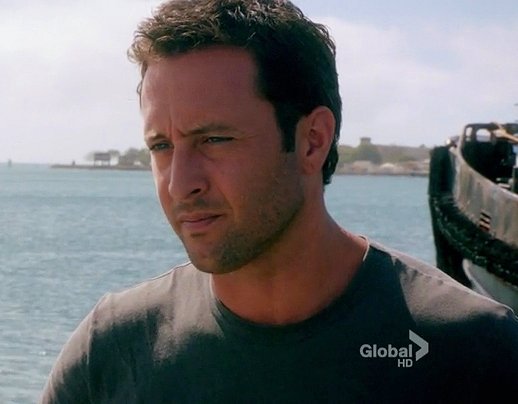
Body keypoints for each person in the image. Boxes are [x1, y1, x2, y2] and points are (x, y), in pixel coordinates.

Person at [41, 0, 518, 403]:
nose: (179, 183)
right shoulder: (112, 350)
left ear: (312, 141)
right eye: (161, 146)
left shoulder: (475, 351)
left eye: (215, 139)